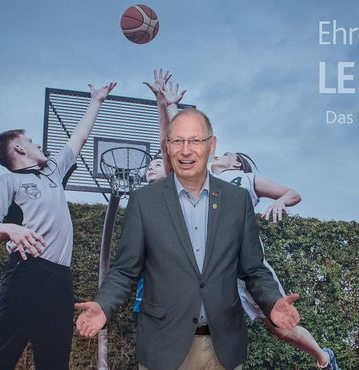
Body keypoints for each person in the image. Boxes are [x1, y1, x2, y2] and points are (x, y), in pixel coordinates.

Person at [75, 108, 302, 370]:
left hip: (224, 349)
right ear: (168, 147)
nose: (186, 150)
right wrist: (104, 306)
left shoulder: (238, 201)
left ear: (211, 145)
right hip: (162, 348)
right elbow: (126, 270)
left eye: (195, 141)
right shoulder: (143, 202)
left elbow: (253, 270)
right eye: (178, 141)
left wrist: (273, 302)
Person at [144, 70, 339, 370]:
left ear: (236, 162)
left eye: (226, 153)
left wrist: (279, 202)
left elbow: (293, 193)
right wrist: (166, 105)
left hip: (243, 268)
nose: (218, 153)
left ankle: (324, 359)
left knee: (280, 329)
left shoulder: (245, 180)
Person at [0, 82, 116, 369]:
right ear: (18, 148)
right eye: (31, 142)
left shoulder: (53, 172)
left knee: (54, 361)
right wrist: (11, 229)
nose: (38, 145)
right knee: (0, 357)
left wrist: (96, 101)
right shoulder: (8, 182)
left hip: (59, 279)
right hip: (25, 272)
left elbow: (79, 138)